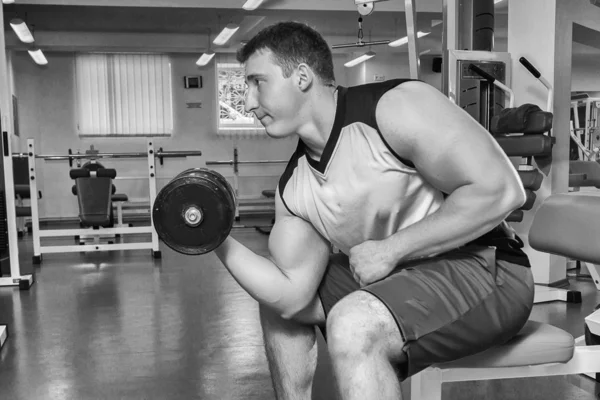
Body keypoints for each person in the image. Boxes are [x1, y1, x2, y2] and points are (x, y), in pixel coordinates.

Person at [215, 21, 534, 400]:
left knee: (353, 324)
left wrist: (392, 249)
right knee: (275, 308)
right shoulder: (294, 189)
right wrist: (214, 238)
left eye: (257, 82)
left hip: (487, 269)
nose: (248, 102)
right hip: (399, 279)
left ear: (301, 77)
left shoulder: (394, 108)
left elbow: (502, 190)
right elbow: (291, 296)